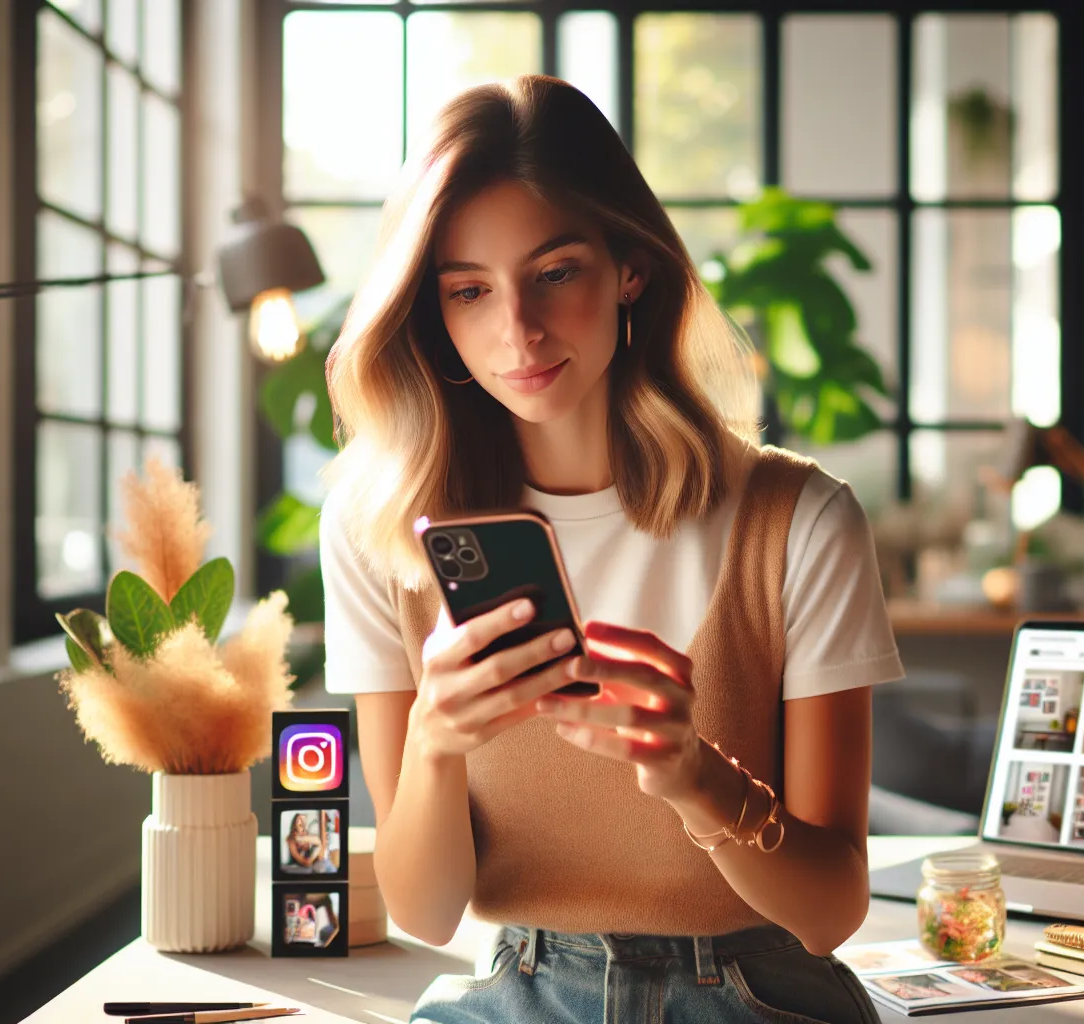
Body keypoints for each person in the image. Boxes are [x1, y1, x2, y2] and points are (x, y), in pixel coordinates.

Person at [319, 74, 903, 1023]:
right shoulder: (377, 529)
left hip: (764, 993)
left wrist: (695, 778)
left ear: (629, 265)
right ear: (434, 314)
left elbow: (832, 913)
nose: (518, 331)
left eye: (555, 273)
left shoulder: (798, 521)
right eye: (469, 292)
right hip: (518, 991)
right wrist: (431, 739)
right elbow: (427, 912)